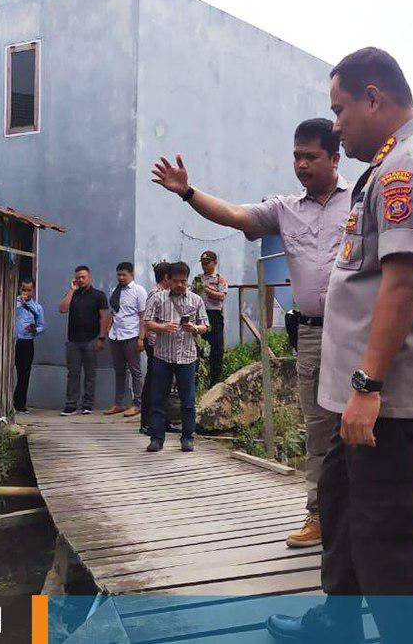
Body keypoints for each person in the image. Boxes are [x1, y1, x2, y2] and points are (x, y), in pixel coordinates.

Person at [267, 48, 413, 644]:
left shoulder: (412, 168)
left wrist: (367, 387)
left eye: (341, 109)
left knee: (386, 524)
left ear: (374, 98)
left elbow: (402, 283)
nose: (337, 124)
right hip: (360, 388)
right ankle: (339, 617)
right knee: (342, 500)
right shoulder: (390, 164)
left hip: (385, 391)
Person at [151, 117, 352, 549]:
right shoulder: (285, 208)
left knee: (367, 426)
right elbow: (234, 214)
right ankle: (319, 516)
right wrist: (188, 192)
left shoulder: (361, 200)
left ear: (335, 158)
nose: (300, 164)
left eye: (310, 156)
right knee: (319, 429)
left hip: (358, 332)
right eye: (296, 156)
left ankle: (368, 519)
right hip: (314, 333)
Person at [143, 261, 208, 452]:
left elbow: (205, 325)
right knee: (158, 399)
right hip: (163, 356)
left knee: (187, 400)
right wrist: (162, 327)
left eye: (184, 281)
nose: (180, 285)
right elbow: (147, 322)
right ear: (169, 280)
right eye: (177, 281)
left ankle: (187, 438)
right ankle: (156, 438)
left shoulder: (196, 300)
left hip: (187, 357)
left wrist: (194, 328)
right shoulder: (158, 298)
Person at [58, 265, 109, 416]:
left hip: (91, 339)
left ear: (89, 277)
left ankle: (87, 404)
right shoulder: (72, 294)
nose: (80, 280)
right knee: (72, 374)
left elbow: (104, 318)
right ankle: (71, 404)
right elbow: (62, 309)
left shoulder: (99, 295)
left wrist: (101, 338)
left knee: (90, 374)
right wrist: (72, 290)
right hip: (73, 340)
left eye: (83, 277)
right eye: (78, 277)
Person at [103, 262, 147, 418]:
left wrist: (141, 338)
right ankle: (119, 403)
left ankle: (138, 403)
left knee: (135, 371)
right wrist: (107, 330)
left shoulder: (138, 291)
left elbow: (143, 316)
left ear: (131, 274)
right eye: (119, 275)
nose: (121, 278)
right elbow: (113, 313)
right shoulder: (115, 290)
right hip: (115, 335)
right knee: (119, 371)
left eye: (124, 275)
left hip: (131, 335)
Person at [140, 261, 173, 435]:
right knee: (153, 384)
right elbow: (149, 319)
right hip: (155, 343)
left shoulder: (167, 293)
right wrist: (152, 342)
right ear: (166, 277)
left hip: (163, 344)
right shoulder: (156, 293)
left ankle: (164, 421)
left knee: (164, 384)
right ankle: (146, 422)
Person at [193, 251, 228, 383]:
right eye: (203, 263)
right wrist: (196, 289)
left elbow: (221, 296)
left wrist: (205, 288)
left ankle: (215, 379)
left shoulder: (219, 279)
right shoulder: (197, 278)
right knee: (198, 345)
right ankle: (198, 377)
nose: (204, 266)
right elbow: (192, 294)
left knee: (216, 347)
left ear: (215, 263)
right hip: (200, 314)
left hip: (214, 314)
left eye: (207, 263)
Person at [13, 278, 46, 413]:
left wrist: (34, 330)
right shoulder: (13, 303)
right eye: (23, 289)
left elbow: (42, 326)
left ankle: (20, 404)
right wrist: (21, 303)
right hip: (13, 340)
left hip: (26, 342)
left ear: (33, 290)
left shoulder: (37, 307)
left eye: (28, 290)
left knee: (24, 374)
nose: (26, 292)